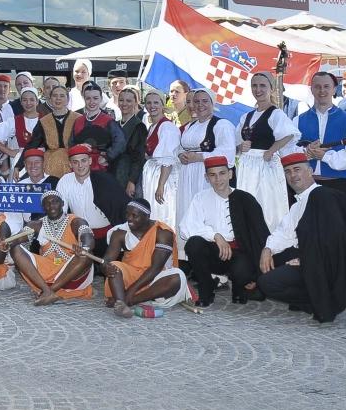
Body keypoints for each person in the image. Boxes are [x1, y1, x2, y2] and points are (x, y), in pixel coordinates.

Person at [258, 152, 346, 323]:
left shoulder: (323, 196)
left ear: (310, 171)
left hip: (326, 264)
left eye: (297, 169)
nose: (293, 175)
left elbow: (333, 239)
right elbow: (284, 233)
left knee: (268, 282)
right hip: (309, 257)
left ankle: (325, 299)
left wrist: (305, 259)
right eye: (288, 172)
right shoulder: (298, 204)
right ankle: (311, 298)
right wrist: (267, 249)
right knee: (265, 266)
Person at [181, 156, 269, 306]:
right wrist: (215, 236)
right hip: (213, 252)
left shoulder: (246, 199)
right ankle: (206, 288)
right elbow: (186, 227)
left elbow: (260, 234)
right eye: (212, 175)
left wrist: (257, 274)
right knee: (193, 244)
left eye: (222, 173)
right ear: (206, 177)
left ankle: (238, 287)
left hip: (240, 254)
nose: (218, 179)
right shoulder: (200, 198)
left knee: (242, 272)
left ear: (230, 174)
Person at [296, 72, 346, 237]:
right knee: (309, 234)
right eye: (317, 86)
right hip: (307, 185)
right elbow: (289, 150)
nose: (322, 91)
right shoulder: (298, 120)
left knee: (341, 234)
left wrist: (325, 156)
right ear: (311, 89)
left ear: (334, 89)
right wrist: (306, 154)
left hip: (338, 185)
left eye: (326, 86)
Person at [101, 199, 192, 317]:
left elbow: (155, 268)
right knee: (114, 266)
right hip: (130, 277)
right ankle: (124, 301)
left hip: (154, 278)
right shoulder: (120, 233)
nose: (129, 219)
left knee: (177, 277)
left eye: (134, 216)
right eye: (127, 214)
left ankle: (124, 301)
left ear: (147, 216)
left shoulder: (163, 233)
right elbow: (106, 260)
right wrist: (105, 267)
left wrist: (129, 293)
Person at [237, 72, 300, 230]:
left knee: (268, 208)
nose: (258, 89)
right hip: (247, 166)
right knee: (248, 206)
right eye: (254, 85)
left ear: (271, 88)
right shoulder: (246, 116)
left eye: (262, 85)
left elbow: (290, 134)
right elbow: (235, 141)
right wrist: (240, 147)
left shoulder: (276, 113)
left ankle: (271, 247)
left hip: (266, 167)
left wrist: (271, 151)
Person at [10, 190, 93, 305]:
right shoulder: (36, 225)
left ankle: (49, 292)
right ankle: (47, 291)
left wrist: (85, 247)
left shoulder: (76, 221)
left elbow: (87, 237)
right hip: (45, 274)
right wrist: (6, 242)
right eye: (47, 203)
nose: (51, 206)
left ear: (63, 204)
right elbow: (17, 239)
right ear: (43, 207)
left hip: (72, 273)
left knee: (86, 255)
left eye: (55, 202)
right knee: (15, 248)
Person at [175, 89, 237, 217]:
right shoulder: (190, 126)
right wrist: (181, 155)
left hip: (206, 176)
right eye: (196, 101)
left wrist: (200, 157)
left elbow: (228, 152)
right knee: (187, 209)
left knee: (206, 212)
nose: (200, 105)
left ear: (212, 103)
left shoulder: (221, 125)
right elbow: (180, 146)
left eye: (204, 101)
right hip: (187, 176)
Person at [141, 90, 182, 230]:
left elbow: (168, 159)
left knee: (165, 211)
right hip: (154, 173)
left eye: (156, 102)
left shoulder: (167, 127)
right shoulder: (153, 126)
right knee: (154, 211)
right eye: (149, 103)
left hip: (164, 176)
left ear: (162, 105)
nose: (152, 106)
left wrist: (161, 185)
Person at [56, 144, 113, 244]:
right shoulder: (65, 180)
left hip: (106, 236)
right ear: (70, 164)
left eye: (83, 160)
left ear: (90, 161)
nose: (80, 165)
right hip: (79, 237)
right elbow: (61, 211)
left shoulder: (103, 179)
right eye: (75, 162)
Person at [0, 84, 41, 175]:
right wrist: (10, 152)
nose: (28, 103)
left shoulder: (46, 120)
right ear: (21, 102)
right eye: (25, 100)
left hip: (42, 163)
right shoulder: (14, 121)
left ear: (37, 102)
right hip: (20, 164)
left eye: (32, 100)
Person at [74, 81, 126, 171]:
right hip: (81, 167)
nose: (92, 102)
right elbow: (71, 143)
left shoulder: (108, 121)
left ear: (101, 99)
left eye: (95, 98)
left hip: (101, 167)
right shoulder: (78, 121)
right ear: (84, 98)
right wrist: (79, 147)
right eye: (88, 98)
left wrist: (108, 156)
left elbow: (120, 142)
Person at [33, 84, 81, 178]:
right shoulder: (44, 121)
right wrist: (18, 166)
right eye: (55, 96)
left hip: (74, 164)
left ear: (67, 100)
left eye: (62, 96)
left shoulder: (78, 118)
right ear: (50, 100)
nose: (58, 98)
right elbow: (32, 144)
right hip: (50, 165)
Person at [112, 86, 148, 196]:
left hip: (128, 175)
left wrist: (132, 181)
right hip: (114, 174)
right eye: (121, 100)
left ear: (135, 103)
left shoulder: (139, 126)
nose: (124, 104)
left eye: (129, 100)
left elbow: (139, 157)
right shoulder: (115, 124)